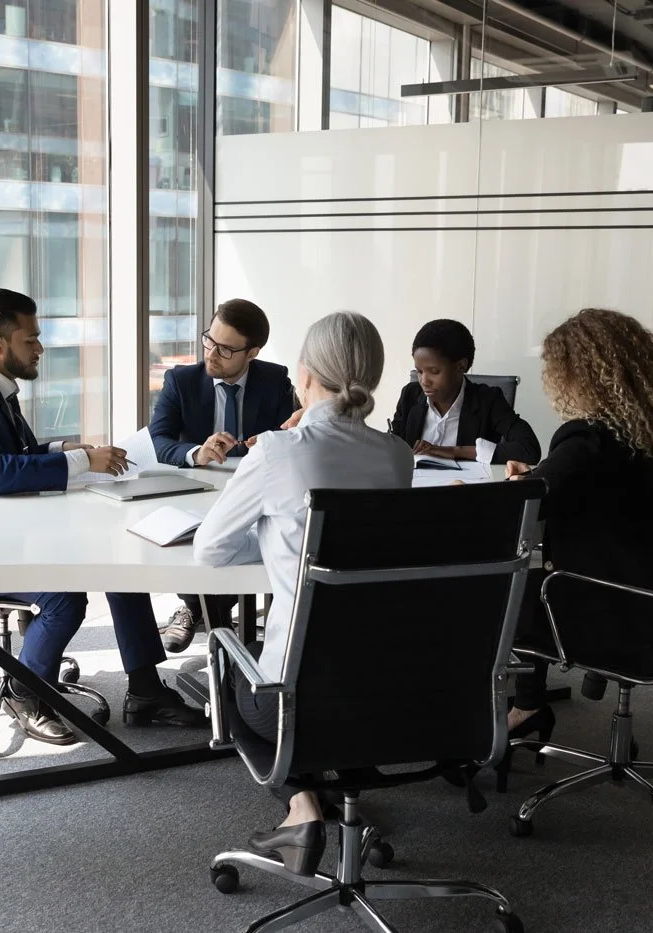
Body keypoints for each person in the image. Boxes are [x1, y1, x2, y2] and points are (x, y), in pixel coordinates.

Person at [0, 288, 205, 746]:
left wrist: (68, 450)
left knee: (123, 568)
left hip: (11, 527)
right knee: (65, 596)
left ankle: (146, 692)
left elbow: (15, 454)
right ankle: (24, 692)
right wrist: (81, 464)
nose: (40, 348)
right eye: (30, 339)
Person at [193, 311, 413, 875]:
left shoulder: (276, 452)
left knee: (222, 658)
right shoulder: (396, 456)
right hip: (390, 692)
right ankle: (330, 790)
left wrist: (275, 534)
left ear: (306, 373)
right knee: (330, 673)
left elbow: (211, 551)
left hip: (289, 701)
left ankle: (300, 804)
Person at [503, 308, 653, 747]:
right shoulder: (644, 429)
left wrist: (515, 483)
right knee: (531, 584)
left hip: (613, 603)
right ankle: (529, 704)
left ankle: (521, 707)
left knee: (499, 593)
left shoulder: (585, 437)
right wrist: (540, 473)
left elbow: (521, 505)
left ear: (579, 374)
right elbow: (595, 486)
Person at [148, 298, 298, 652]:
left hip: (254, 491)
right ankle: (204, 610)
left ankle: (202, 611)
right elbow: (158, 440)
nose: (211, 354)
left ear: (252, 352)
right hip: (198, 489)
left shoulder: (275, 380)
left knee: (262, 533)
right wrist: (195, 452)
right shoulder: (181, 380)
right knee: (194, 537)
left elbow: (292, 437)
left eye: (226, 349)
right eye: (209, 340)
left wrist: (271, 440)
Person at [389, 318, 541, 466]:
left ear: (461, 366)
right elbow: (391, 450)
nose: (424, 381)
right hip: (414, 488)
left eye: (434, 371)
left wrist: (455, 451)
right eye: (419, 371)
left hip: (465, 489)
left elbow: (529, 449)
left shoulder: (488, 400)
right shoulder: (410, 395)